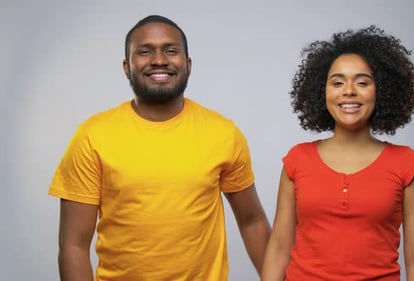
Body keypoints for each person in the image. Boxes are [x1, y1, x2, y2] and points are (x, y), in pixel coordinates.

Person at [49, 15, 271, 281]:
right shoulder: (92, 136)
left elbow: (252, 222)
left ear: (188, 64)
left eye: (171, 50)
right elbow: (73, 245)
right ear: (126, 67)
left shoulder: (224, 134)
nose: (158, 60)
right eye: (144, 52)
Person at [261, 26, 414, 281]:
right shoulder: (297, 160)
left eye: (362, 82)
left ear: (382, 90)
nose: (349, 91)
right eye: (337, 82)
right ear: (323, 92)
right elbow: (278, 249)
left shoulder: (407, 166)